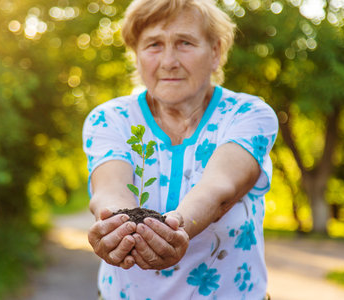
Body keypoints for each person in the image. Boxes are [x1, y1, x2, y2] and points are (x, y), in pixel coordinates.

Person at [82, 0, 278, 298]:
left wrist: (179, 227)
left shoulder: (248, 114)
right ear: (136, 55)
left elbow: (220, 187)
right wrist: (116, 224)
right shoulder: (110, 119)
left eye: (185, 43)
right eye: (153, 45)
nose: (169, 61)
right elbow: (110, 187)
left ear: (215, 51)